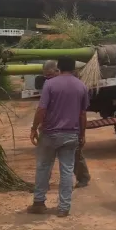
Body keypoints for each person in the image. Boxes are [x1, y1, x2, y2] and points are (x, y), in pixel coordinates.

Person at [28, 56, 89, 217]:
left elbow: (41, 110)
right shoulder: (81, 86)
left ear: (59, 68)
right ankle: (64, 207)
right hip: (71, 134)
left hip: (49, 134)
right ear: (74, 68)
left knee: (43, 168)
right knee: (67, 171)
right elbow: (83, 114)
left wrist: (34, 128)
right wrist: (82, 134)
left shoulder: (50, 84)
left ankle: (39, 203)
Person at [42, 60, 91, 188]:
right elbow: (43, 109)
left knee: (73, 157)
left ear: (58, 70)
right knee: (49, 160)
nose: (48, 79)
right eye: (45, 76)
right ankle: (45, 183)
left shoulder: (74, 85)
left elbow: (82, 113)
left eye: (50, 75)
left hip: (68, 129)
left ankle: (83, 178)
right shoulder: (50, 85)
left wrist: (82, 133)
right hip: (57, 129)